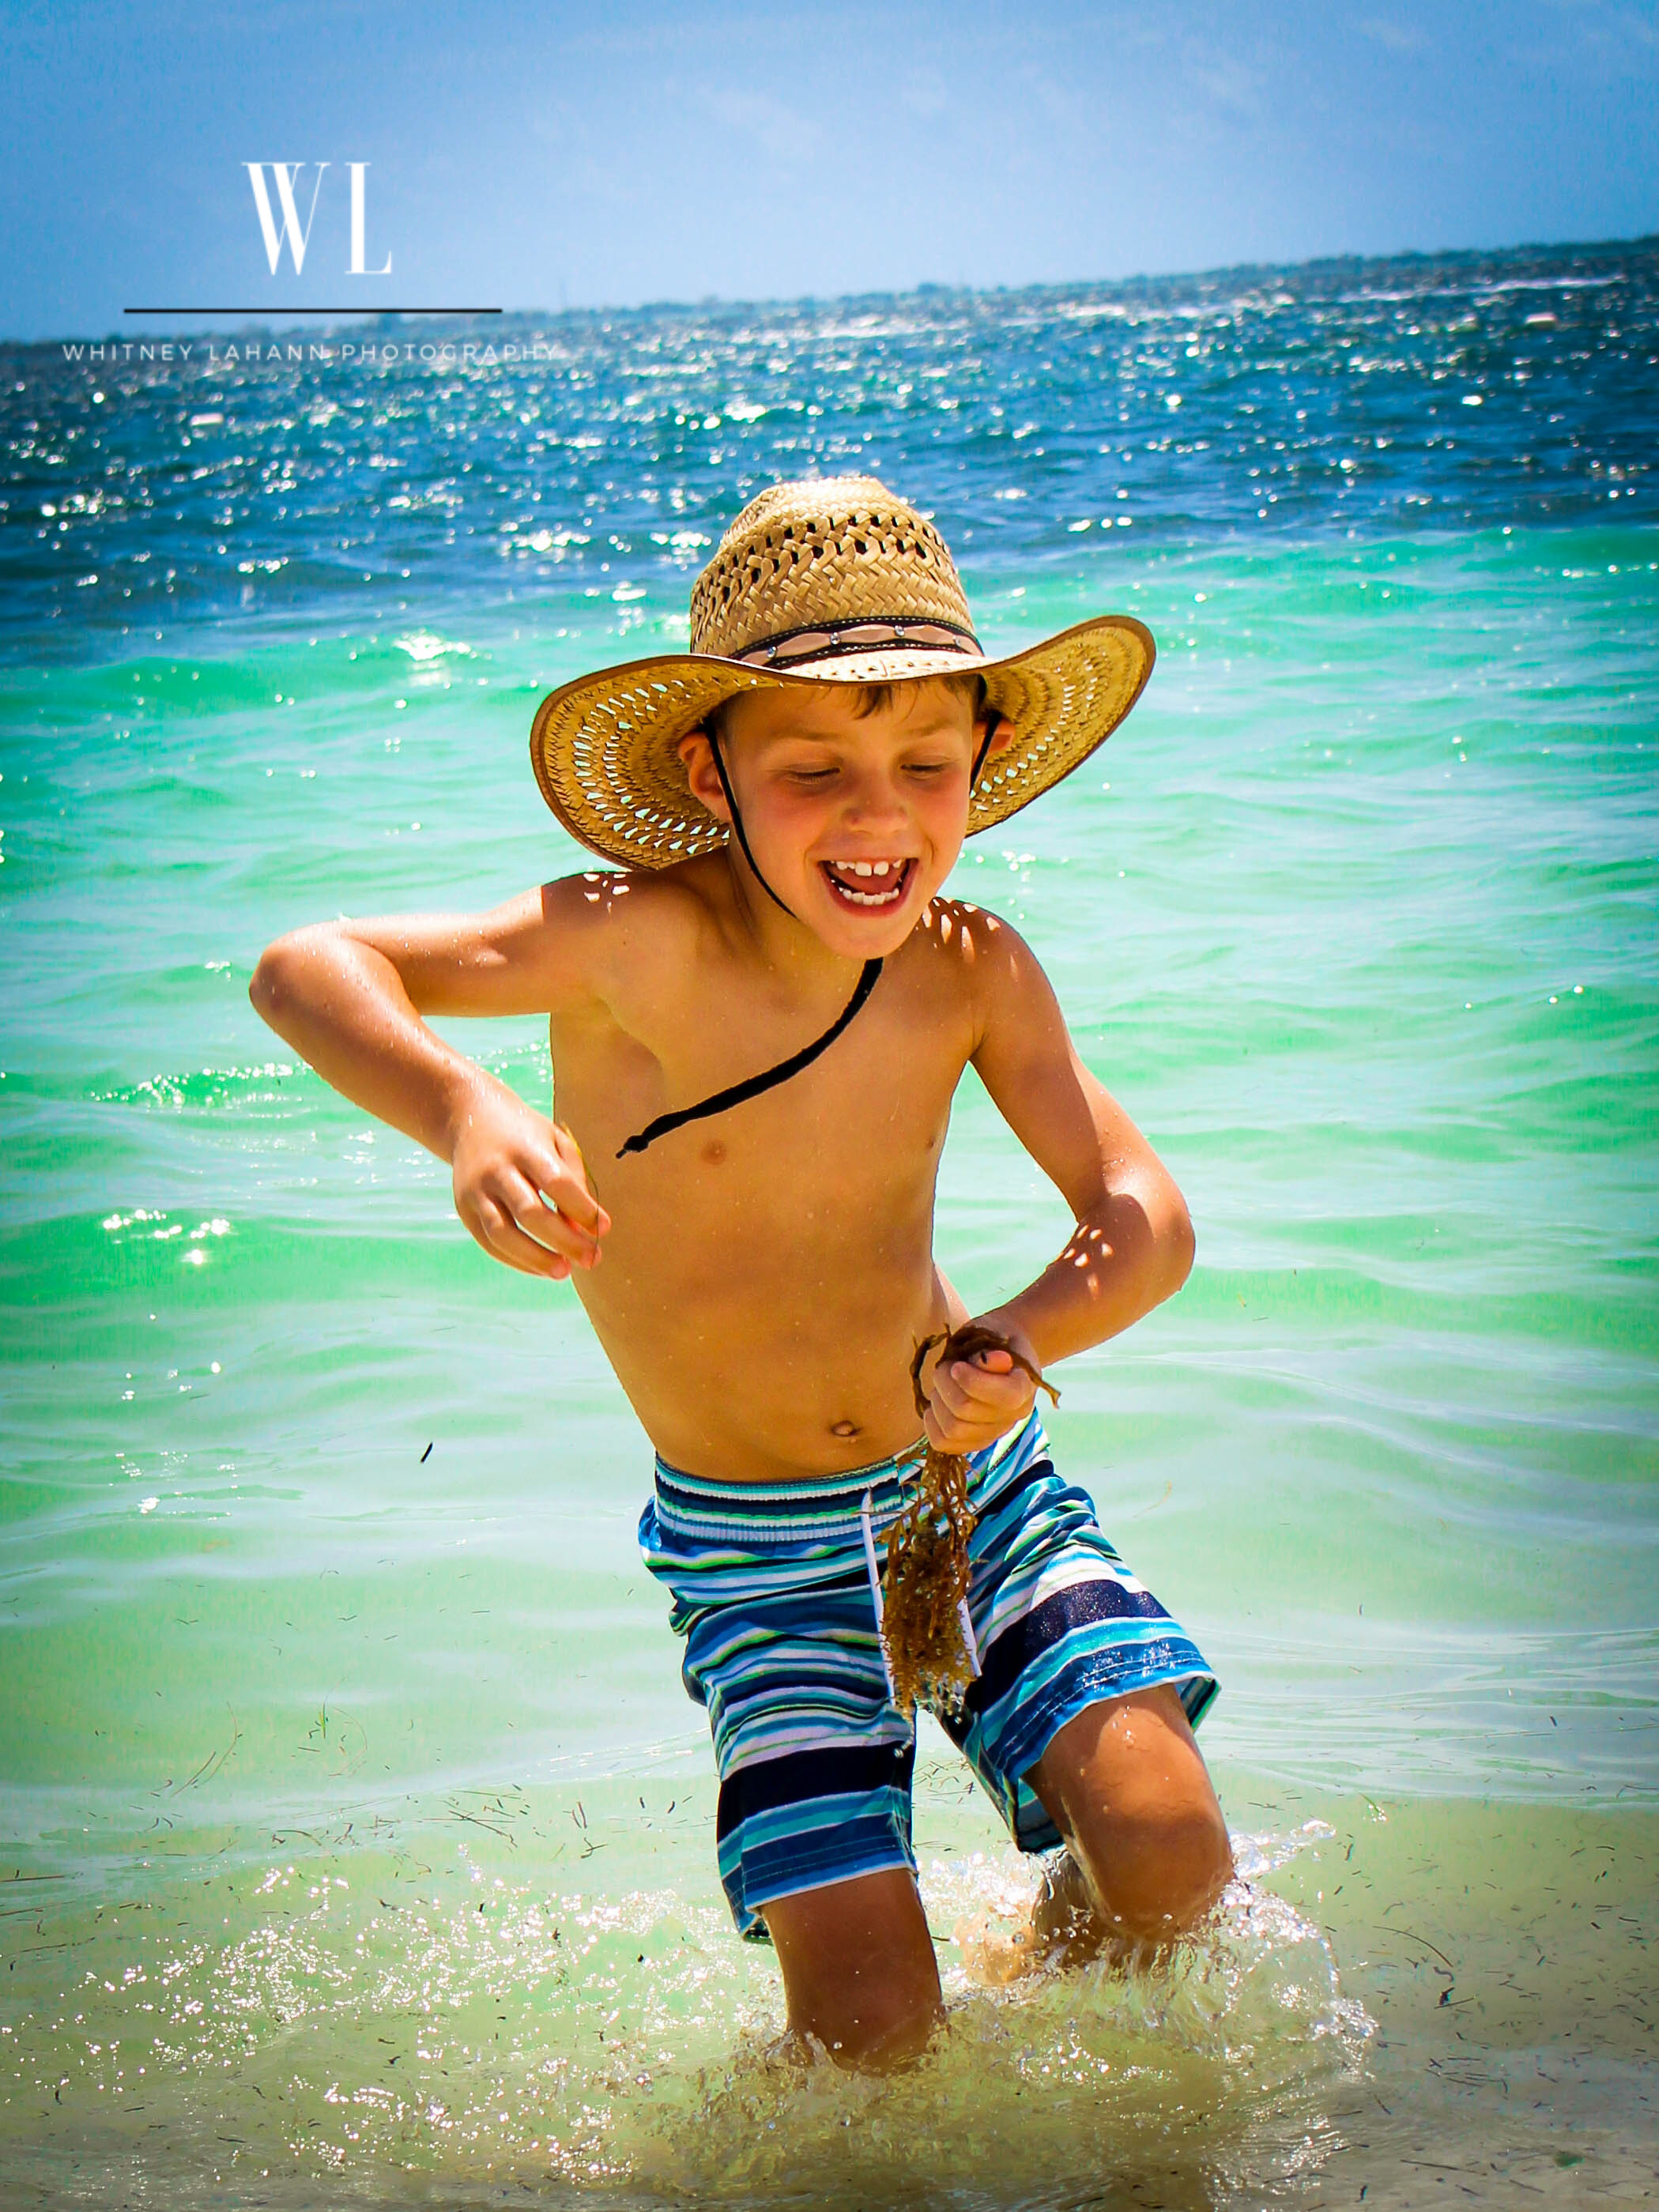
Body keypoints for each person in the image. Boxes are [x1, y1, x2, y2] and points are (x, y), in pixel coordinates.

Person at [250, 475, 1232, 2069]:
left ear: (984, 757)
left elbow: (1145, 1216)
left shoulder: (973, 968)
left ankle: (1074, 2051)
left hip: (967, 1491)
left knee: (1170, 1852)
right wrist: (466, 1111)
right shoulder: (633, 938)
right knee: (873, 2030)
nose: (878, 818)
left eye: (925, 766)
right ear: (713, 771)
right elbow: (307, 967)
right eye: (813, 770)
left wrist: (1016, 1335)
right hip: (756, 1552)